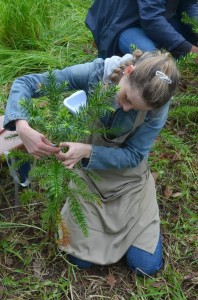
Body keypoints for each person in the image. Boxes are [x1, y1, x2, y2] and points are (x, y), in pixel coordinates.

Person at [4, 50, 179, 275]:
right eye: (126, 98)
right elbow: (26, 83)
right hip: (89, 177)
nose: (126, 108)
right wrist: (22, 126)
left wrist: (88, 151)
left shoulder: (158, 104)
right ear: (128, 71)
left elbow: (134, 155)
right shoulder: (97, 74)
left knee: (145, 267)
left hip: (128, 180)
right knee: (80, 262)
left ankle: (138, 227)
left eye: (136, 108)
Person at [85, 0, 198, 59]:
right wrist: (189, 49)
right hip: (124, 21)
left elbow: (189, 5)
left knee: (188, 36)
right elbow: (152, 19)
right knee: (152, 60)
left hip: (156, 14)